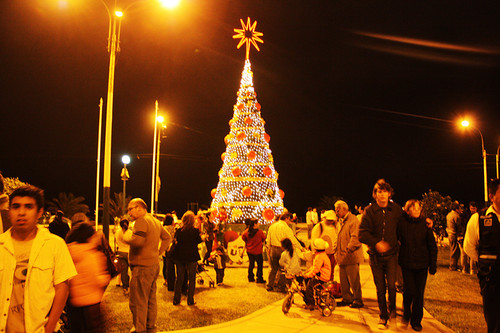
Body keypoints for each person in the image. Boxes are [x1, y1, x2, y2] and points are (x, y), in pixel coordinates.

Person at [0, 185, 77, 332]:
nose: (21, 212)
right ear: (9, 211)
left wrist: (49, 327)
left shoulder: (54, 244)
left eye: (28, 207)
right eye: (16, 207)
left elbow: (62, 288)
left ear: (39, 212)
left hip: (38, 328)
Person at [359, 179, 403, 330]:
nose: (382, 194)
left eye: (385, 191)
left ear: (389, 193)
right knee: (380, 288)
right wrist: (376, 242)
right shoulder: (369, 211)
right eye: (379, 191)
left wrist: (425, 221)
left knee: (391, 286)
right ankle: (383, 316)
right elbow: (362, 234)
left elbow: (405, 225)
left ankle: (392, 311)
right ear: (375, 194)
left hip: (392, 256)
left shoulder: (396, 209)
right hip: (375, 257)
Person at [124, 198, 170, 333]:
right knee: (150, 299)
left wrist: (124, 237)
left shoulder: (141, 221)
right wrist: (158, 252)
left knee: (138, 302)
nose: (129, 213)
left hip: (142, 267)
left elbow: (137, 242)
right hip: (153, 265)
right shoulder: (155, 221)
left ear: (139, 208)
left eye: (130, 209)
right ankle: (150, 327)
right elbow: (167, 238)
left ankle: (139, 329)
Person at [464, 178, 500, 333]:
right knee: (493, 321)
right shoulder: (478, 218)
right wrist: (484, 262)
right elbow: (469, 246)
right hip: (490, 279)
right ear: (492, 196)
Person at [398, 199, 437, 331]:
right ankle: (406, 311)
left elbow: (432, 246)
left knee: (419, 293)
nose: (416, 210)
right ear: (408, 210)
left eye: (418, 208)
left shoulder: (425, 225)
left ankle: (416, 320)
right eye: (413, 208)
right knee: (410, 290)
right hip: (407, 263)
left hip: (422, 264)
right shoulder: (402, 223)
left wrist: (433, 264)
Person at [66, 221, 111, 333]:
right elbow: (98, 280)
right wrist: (106, 277)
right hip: (91, 303)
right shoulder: (91, 254)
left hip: (73, 303)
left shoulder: (67, 252)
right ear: (88, 237)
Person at [334, 200, 364, 308]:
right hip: (342, 256)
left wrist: (348, 249)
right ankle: (347, 298)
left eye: (337, 209)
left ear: (344, 209)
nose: (336, 211)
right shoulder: (340, 221)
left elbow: (356, 237)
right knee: (343, 280)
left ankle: (358, 300)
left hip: (351, 256)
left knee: (353, 280)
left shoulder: (353, 220)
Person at [170, 211, 203, 306]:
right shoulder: (195, 231)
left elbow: (176, 241)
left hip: (179, 256)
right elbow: (199, 241)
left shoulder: (179, 231)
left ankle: (176, 299)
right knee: (192, 278)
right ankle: (190, 299)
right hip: (192, 257)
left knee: (179, 278)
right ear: (193, 221)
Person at [266, 212, 303, 292]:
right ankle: (281, 286)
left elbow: (268, 238)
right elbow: (292, 239)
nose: (290, 222)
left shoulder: (272, 226)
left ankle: (269, 285)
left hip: (272, 248)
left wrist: (268, 248)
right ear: (286, 218)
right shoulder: (285, 227)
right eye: (290, 220)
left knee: (273, 268)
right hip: (281, 249)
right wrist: (300, 247)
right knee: (282, 269)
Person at [303, 238, 332, 310]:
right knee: (309, 282)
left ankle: (311, 303)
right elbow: (314, 267)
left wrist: (307, 275)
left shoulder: (319, 257)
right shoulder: (322, 255)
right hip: (323, 275)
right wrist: (308, 271)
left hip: (322, 277)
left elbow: (315, 270)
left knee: (310, 286)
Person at [311, 209, 337, 281]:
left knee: (331, 271)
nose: (330, 221)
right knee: (321, 272)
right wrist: (314, 252)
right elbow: (313, 240)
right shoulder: (319, 226)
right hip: (321, 254)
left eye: (332, 220)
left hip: (332, 254)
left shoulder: (335, 227)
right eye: (329, 220)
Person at [241, 218, 266, 283]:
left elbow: (243, 237)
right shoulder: (260, 232)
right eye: (258, 223)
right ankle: (259, 278)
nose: (259, 224)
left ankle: (250, 277)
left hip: (249, 250)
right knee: (259, 265)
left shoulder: (247, 231)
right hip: (258, 251)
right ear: (255, 224)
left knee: (251, 264)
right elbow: (263, 239)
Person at [115, 218, 132, 295]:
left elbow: (116, 242)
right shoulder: (130, 232)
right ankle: (133, 287)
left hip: (120, 253)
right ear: (128, 224)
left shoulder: (117, 232)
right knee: (133, 271)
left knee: (123, 271)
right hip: (129, 253)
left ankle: (125, 287)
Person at [446, 201, 463, 271]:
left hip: (449, 233)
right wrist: (460, 235)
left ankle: (453, 265)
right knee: (455, 250)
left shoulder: (449, 215)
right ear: (456, 209)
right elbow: (458, 227)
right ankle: (453, 266)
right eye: (459, 208)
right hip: (454, 234)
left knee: (452, 249)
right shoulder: (456, 216)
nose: (460, 210)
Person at [161, 214, 175, 291]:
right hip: (172, 249)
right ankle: (171, 280)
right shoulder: (173, 229)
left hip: (164, 248)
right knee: (170, 266)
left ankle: (166, 280)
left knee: (165, 264)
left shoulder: (163, 228)